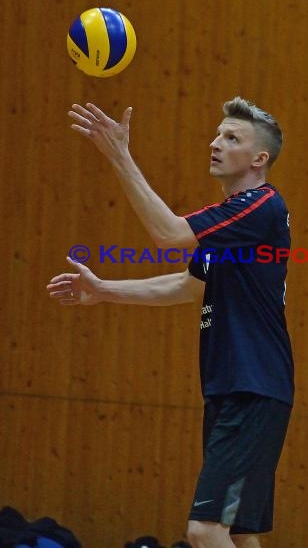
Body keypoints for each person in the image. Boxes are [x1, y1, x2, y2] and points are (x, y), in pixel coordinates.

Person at [47, 97, 294, 548]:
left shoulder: (259, 206)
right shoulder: (234, 223)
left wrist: (120, 155)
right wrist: (104, 291)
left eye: (232, 137)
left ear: (260, 160)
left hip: (252, 387)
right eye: (218, 133)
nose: (215, 143)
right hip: (237, 388)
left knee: (204, 531)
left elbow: (168, 235)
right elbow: (189, 287)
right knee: (237, 533)